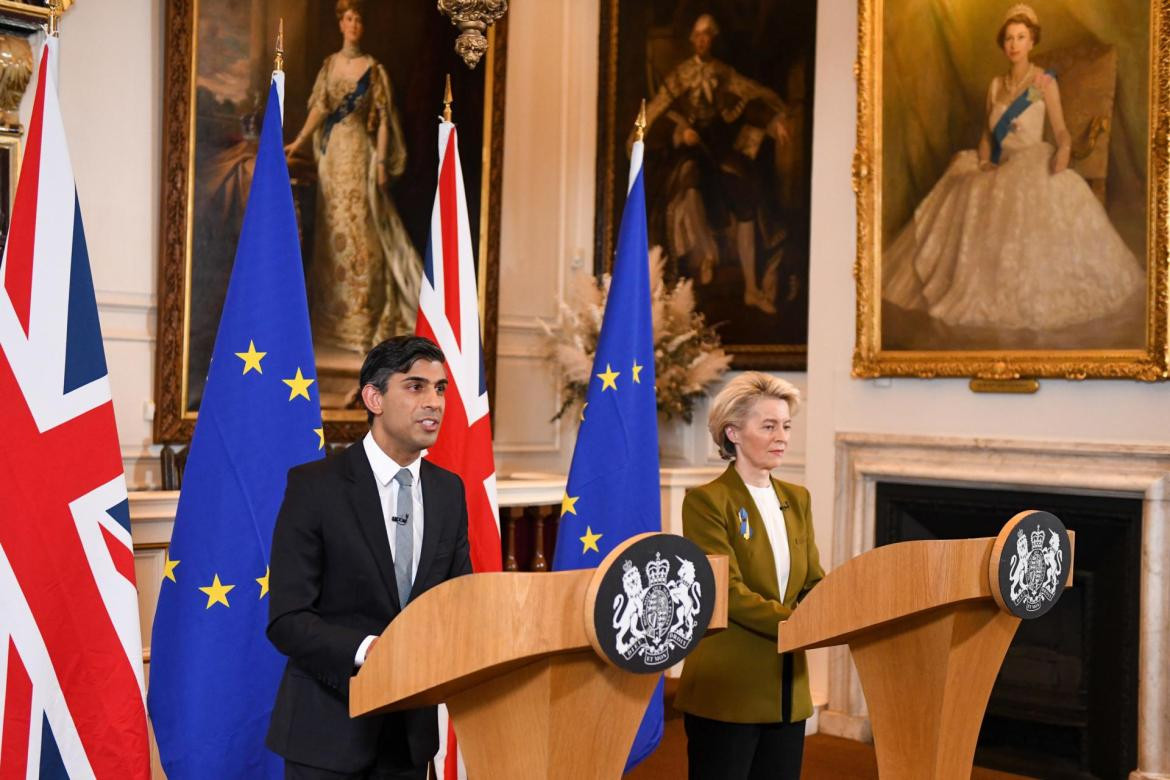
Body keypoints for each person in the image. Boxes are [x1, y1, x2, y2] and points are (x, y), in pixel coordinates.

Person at [266, 335, 472, 779]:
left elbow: (459, 604)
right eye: (416, 387)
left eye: (440, 389)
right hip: (327, 738)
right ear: (374, 398)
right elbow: (287, 618)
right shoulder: (315, 487)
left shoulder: (449, 491)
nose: (433, 402)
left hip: (410, 742)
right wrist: (373, 652)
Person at [882, 4, 1143, 333]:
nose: (1014, 44)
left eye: (1021, 37)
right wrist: (983, 161)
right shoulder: (995, 86)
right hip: (1000, 164)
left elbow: (1061, 129)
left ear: (1032, 41)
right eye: (1008, 38)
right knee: (964, 187)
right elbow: (987, 137)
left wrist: (1064, 149)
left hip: (1032, 161)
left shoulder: (1042, 82)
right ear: (1003, 44)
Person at [674, 372, 824, 780]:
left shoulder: (798, 499)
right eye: (769, 426)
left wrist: (836, 608)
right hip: (729, 690)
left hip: (786, 692)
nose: (782, 437)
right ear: (733, 433)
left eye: (787, 426)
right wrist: (802, 626)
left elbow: (812, 580)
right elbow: (730, 593)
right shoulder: (706, 502)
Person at [284, 0, 422, 362]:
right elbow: (321, 107)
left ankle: (362, 318)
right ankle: (332, 322)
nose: (354, 25)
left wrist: (379, 162)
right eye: (348, 19)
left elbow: (382, 120)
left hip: (360, 155)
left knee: (362, 234)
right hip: (333, 158)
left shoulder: (374, 70)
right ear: (340, 24)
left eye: (359, 19)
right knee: (333, 234)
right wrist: (299, 140)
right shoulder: (330, 65)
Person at [641, 13, 791, 314]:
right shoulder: (679, 76)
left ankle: (751, 287)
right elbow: (654, 113)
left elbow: (751, 95)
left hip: (717, 149)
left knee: (745, 194)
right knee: (689, 179)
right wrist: (679, 132)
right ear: (690, 39)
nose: (701, 40)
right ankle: (705, 254)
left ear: (713, 39)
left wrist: (774, 118)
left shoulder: (723, 73)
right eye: (697, 34)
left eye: (707, 34)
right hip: (687, 151)